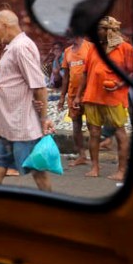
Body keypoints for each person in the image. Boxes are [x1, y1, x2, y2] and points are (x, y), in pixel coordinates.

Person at [0, 10, 54, 191]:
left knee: (37, 170)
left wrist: (43, 118)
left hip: (21, 124)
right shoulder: (13, 47)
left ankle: (52, 207)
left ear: (5, 26)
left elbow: (39, 85)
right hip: (8, 124)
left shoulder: (21, 47)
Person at [73, 16, 133, 183]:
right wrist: (79, 95)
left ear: (108, 30)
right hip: (92, 96)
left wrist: (119, 84)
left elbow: (131, 73)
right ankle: (95, 167)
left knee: (120, 132)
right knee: (93, 133)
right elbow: (85, 73)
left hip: (114, 98)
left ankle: (121, 171)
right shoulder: (95, 48)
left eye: (98, 29)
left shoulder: (125, 48)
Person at [56, 35, 93, 166]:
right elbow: (65, 77)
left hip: (89, 93)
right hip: (72, 94)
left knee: (92, 125)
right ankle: (82, 155)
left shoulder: (90, 47)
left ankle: (94, 159)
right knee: (76, 124)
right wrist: (62, 98)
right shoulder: (67, 52)